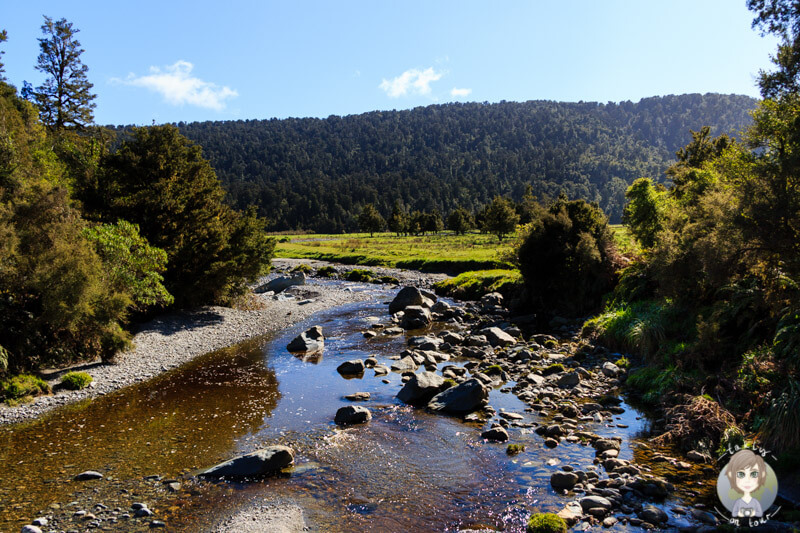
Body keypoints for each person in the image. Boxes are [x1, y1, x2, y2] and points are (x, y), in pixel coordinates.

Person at [725, 449, 767, 517]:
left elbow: (759, 513)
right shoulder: (738, 502)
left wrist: (753, 513)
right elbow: (734, 513)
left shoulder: (755, 501)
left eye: (754, 474)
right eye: (741, 474)